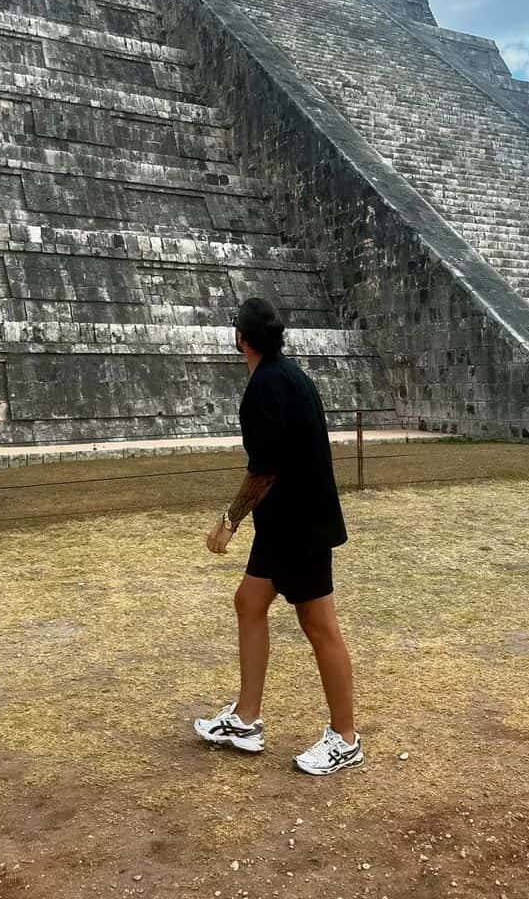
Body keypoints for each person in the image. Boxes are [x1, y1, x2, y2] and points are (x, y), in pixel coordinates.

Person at [193, 297, 362, 776]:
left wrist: (227, 522)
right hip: (285, 524)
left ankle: (345, 738)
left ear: (240, 338)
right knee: (249, 601)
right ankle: (246, 719)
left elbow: (264, 472)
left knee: (319, 625)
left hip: (300, 526)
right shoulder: (291, 376)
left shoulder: (265, 387)